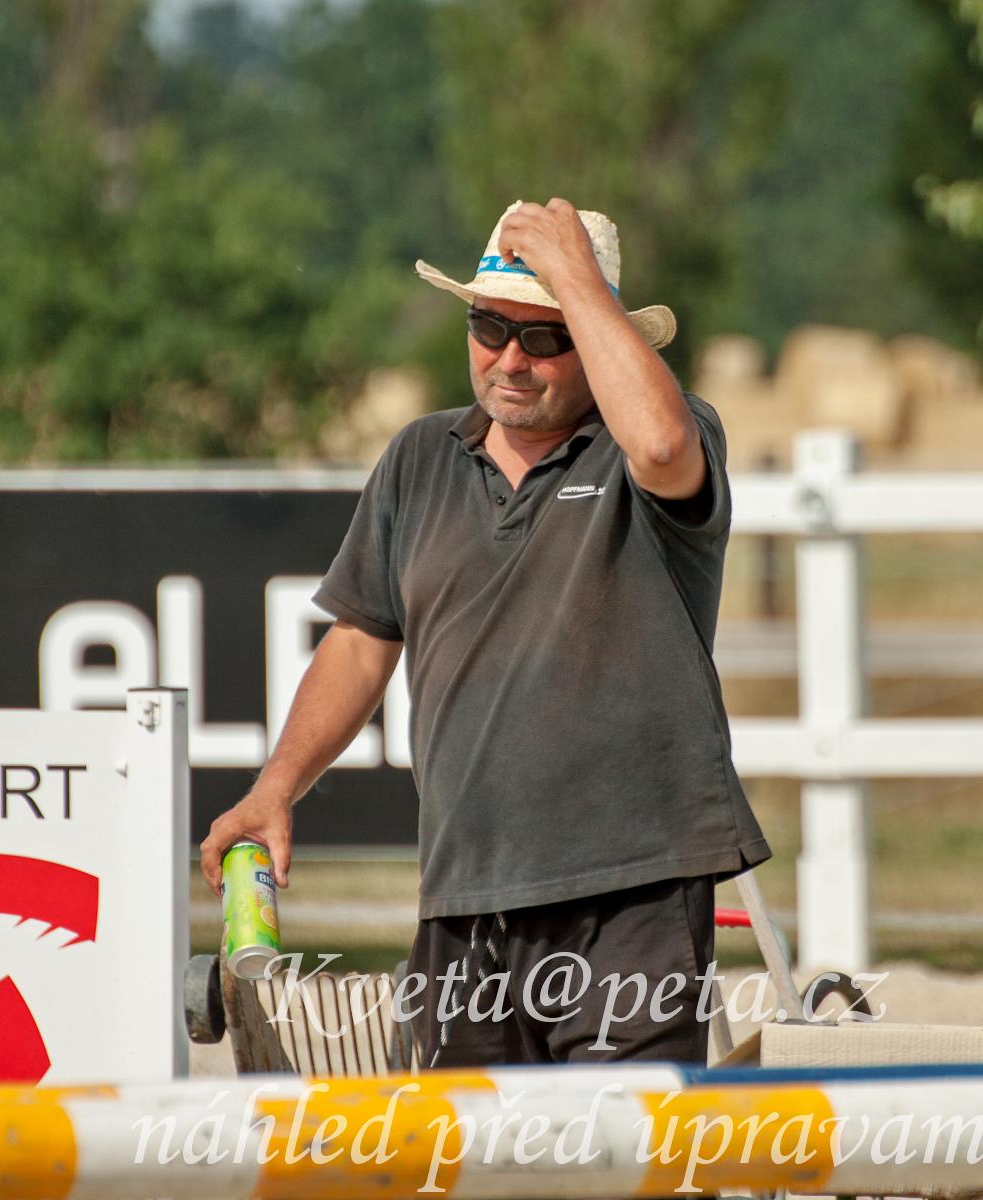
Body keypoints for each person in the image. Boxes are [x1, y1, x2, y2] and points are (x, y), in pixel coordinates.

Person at [200, 198, 769, 1066]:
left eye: (544, 336)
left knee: (624, 1139)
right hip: (463, 895)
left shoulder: (652, 439)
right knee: (471, 1145)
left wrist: (577, 278)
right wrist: (276, 787)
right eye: (489, 326)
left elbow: (661, 447)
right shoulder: (419, 457)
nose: (510, 358)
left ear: (598, 333)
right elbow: (359, 643)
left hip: (633, 890)